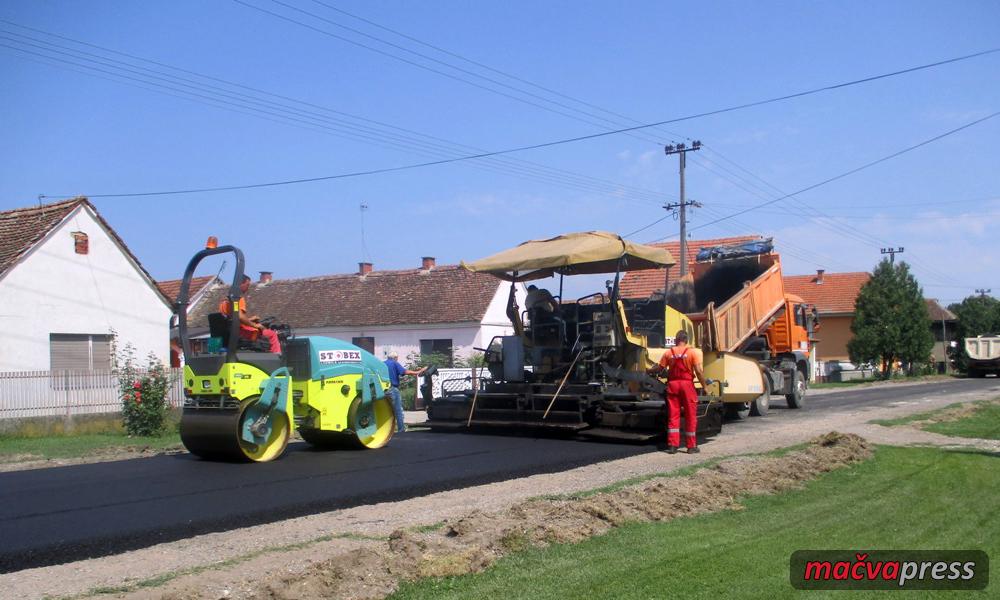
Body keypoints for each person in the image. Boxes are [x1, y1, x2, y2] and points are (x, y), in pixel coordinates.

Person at [649, 330, 709, 454]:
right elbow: (698, 371)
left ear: (676, 340)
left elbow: (659, 368)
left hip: (673, 385)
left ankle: (672, 446)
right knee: (690, 416)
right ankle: (691, 447)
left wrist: (648, 371)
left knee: (673, 415)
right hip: (687, 385)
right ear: (686, 340)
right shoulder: (692, 353)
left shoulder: (668, 353)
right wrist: (705, 387)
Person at [218, 274, 281, 353]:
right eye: (247, 285)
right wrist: (256, 325)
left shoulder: (224, 302)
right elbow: (240, 317)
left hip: (230, 333)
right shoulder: (238, 298)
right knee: (272, 334)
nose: (248, 287)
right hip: (240, 333)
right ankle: (276, 358)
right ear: (241, 283)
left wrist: (250, 319)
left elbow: (232, 318)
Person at [383, 350, 427, 433]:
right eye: (397, 358)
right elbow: (405, 372)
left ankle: (386, 430)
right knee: (398, 410)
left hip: (384, 389)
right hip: (393, 388)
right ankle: (401, 429)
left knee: (386, 410)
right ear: (395, 358)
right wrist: (418, 372)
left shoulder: (383, 364)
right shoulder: (394, 363)